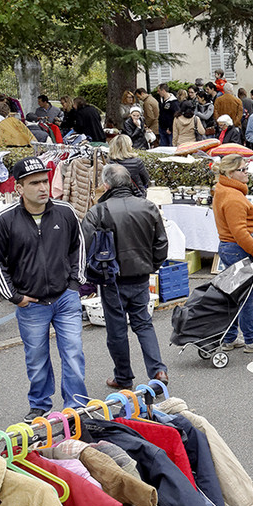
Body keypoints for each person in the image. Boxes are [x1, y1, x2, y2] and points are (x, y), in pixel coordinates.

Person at [0, 155, 88, 419]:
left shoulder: (65, 212)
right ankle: (40, 406)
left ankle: (76, 405)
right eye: (34, 183)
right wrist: (14, 296)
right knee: (36, 358)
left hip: (65, 298)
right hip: (30, 303)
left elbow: (78, 248)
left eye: (45, 181)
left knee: (74, 353)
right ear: (19, 188)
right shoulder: (5, 219)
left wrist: (73, 284)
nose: (43, 187)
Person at [84, 163, 170, 390]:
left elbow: (85, 246)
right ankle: (158, 370)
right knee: (143, 324)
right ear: (129, 181)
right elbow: (161, 243)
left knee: (117, 329)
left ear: (106, 185)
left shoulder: (98, 211)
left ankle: (123, 376)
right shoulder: (147, 206)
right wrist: (151, 265)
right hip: (140, 274)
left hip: (111, 277)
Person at [210, 154, 253, 353]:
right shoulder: (232, 196)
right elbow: (240, 233)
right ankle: (252, 339)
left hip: (230, 248)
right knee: (246, 297)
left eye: (246, 168)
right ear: (230, 173)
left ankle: (230, 338)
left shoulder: (224, 189)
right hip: (238, 250)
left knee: (235, 295)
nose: (247, 172)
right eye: (243, 170)